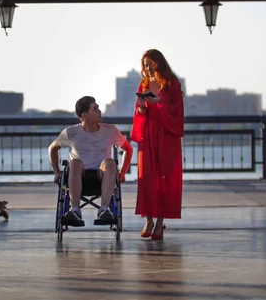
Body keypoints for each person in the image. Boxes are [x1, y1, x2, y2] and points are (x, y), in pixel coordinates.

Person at [48, 96, 133, 226]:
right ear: (84, 115)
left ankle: (104, 209)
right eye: (95, 108)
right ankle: (75, 210)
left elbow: (128, 149)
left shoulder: (110, 130)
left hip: (102, 175)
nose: (100, 111)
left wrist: (122, 173)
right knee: (75, 162)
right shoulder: (71, 132)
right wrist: (56, 172)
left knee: (110, 162)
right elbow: (52, 148)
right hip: (78, 175)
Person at [131, 49, 184, 240]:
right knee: (146, 176)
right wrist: (142, 106)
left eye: (150, 64)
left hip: (167, 134)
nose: (147, 68)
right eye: (145, 64)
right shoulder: (144, 83)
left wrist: (159, 102)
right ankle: (149, 219)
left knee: (164, 177)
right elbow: (139, 114)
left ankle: (160, 222)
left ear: (159, 63)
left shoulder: (172, 83)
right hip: (148, 135)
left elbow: (177, 112)